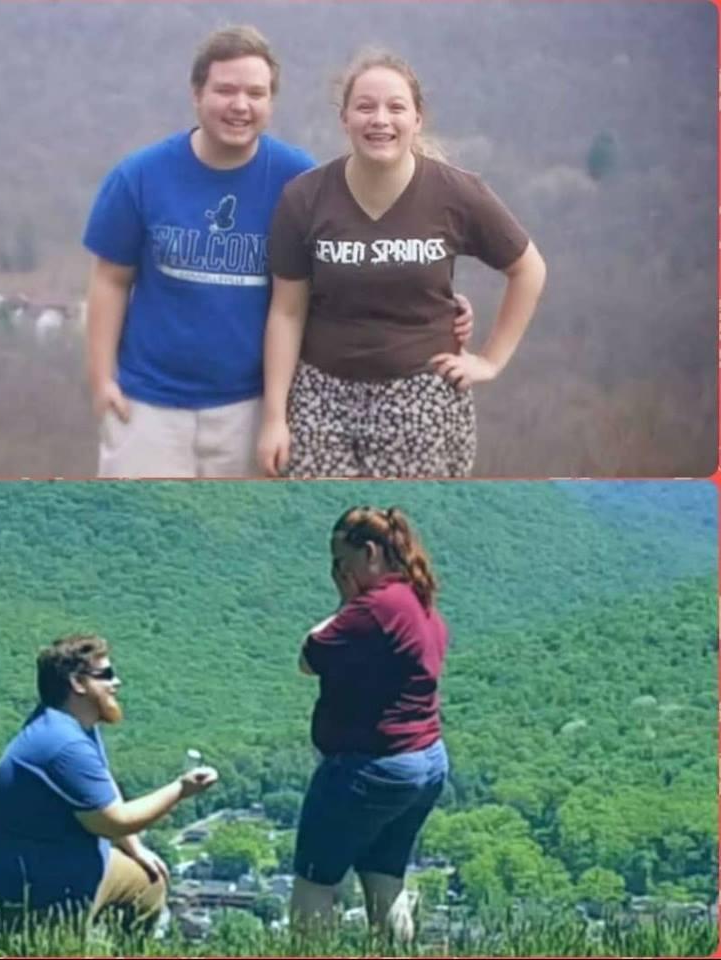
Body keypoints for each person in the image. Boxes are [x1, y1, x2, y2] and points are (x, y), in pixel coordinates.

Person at [83, 28, 474, 478]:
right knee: (140, 538)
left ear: (271, 101)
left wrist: (437, 311)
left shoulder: (300, 183)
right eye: (225, 90)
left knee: (245, 543)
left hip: (254, 407)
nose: (240, 105)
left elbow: (349, 274)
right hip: (147, 405)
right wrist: (101, 379)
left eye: (255, 92)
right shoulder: (140, 177)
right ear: (197, 94)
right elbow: (109, 280)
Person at [259, 50, 547, 478]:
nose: (380, 119)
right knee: (324, 526)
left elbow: (528, 270)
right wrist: (274, 418)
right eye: (365, 106)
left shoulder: (457, 193)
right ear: (344, 119)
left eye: (396, 107)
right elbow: (286, 311)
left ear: (417, 119)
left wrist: (489, 361)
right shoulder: (305, 198)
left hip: (423, 400)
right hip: (322, 400)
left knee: (409, 531)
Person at [0, 634, 218, 945]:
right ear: (78, 683)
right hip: (36, 892)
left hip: (67, 871)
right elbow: (114, 820)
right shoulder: (64, 745)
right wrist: (180, 790)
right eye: (106, 675)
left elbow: (105, 796)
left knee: (148, 882)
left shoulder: (76, 725)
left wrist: (135, 850)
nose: (117, 682)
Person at [291, 506, 450, 943]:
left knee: (314, 883)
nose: (338, 573)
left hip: (369, 768)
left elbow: (308, 658)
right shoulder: (418, 599)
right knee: (385, 881)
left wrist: (344, 603)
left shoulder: (375, 608)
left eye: (342, 562)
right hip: (424, 763)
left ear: (371, 553)